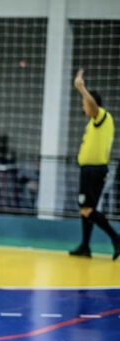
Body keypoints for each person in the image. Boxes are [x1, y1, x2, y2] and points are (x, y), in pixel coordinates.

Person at [69, 68, 119, 260]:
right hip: (89, 170)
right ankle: (85, 246)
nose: (83, 107)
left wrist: (81, 88)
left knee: (87, 209)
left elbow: (93, 107)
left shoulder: (102, 116)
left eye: (84, 103)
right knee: (86, 210)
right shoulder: (92, 123)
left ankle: (116, 238)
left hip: (94, 171)